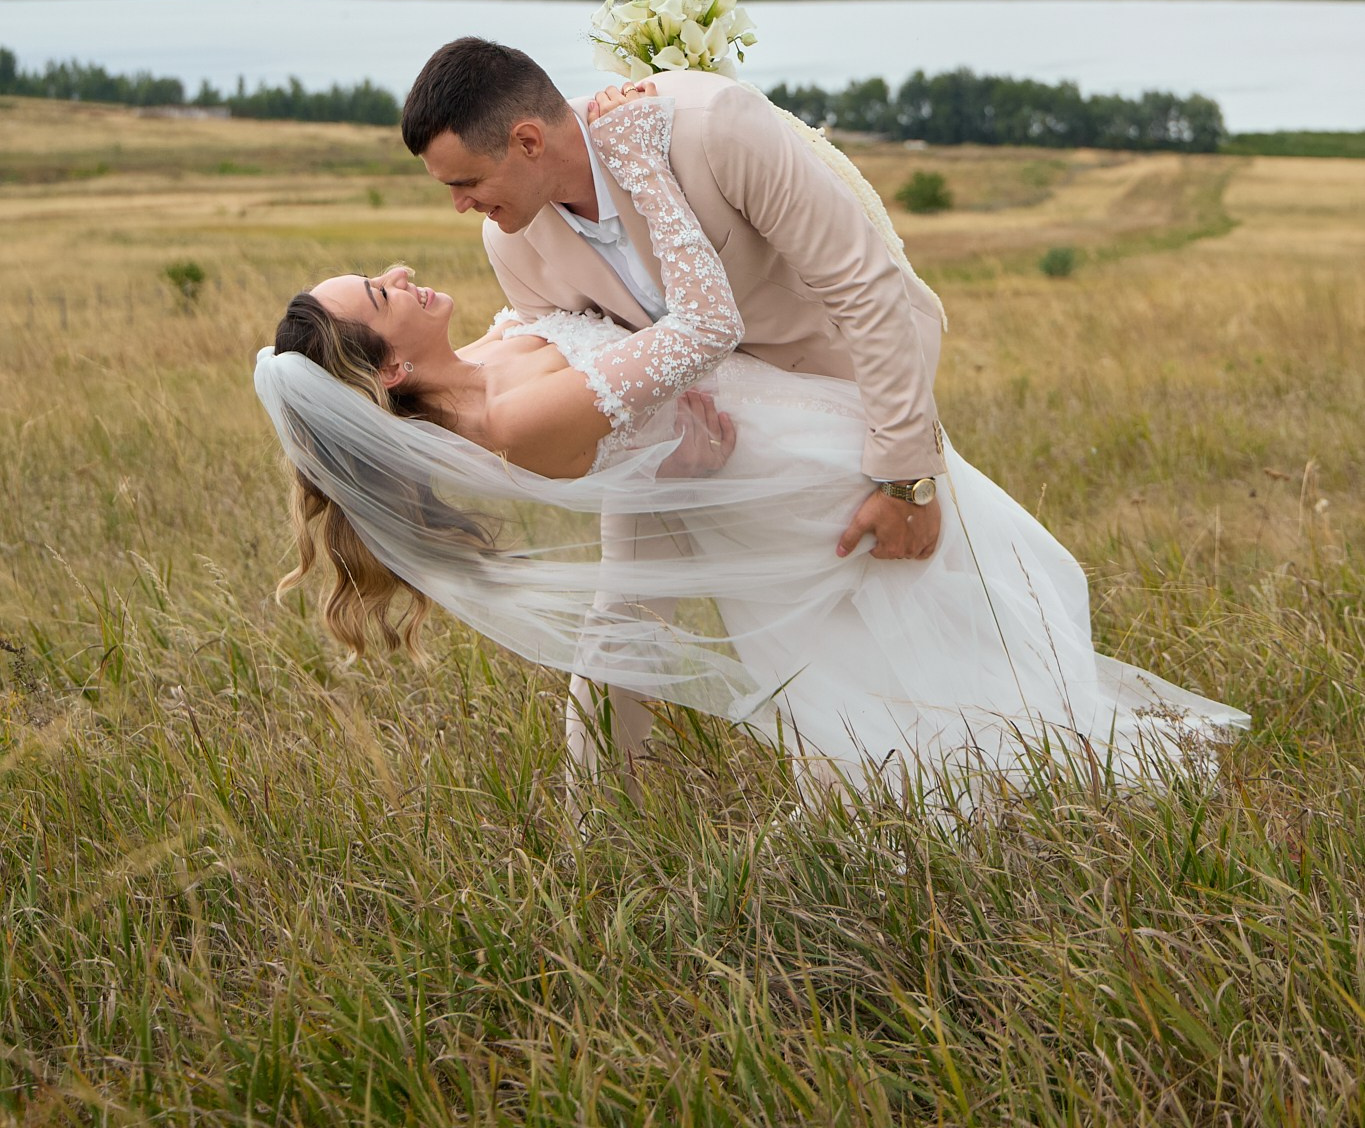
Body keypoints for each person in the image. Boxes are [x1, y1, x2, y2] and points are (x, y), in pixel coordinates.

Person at [257, 86, 1248, 813]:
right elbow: (696, 334)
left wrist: (667, 445)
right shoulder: (506, 422)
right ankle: (1035, 769)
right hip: (792, 467)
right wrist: (643, 160)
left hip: (774, 431)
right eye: (381, 295)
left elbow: (614, 388)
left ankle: (603, 815)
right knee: (907, 635)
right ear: (386, 372)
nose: (401, 265)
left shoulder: (480, 358)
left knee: (928, 622)